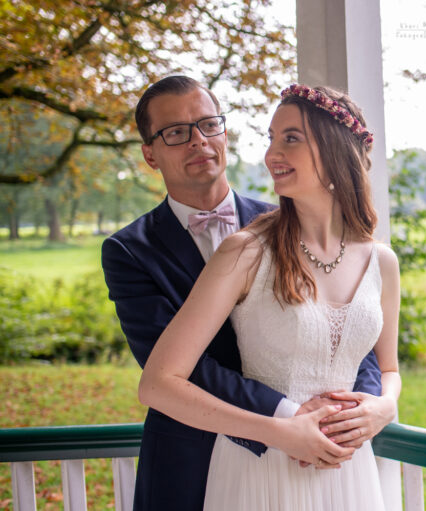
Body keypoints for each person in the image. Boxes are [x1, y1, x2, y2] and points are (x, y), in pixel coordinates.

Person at [101, 76, 395, 510]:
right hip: (198, 451)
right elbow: (180, 370)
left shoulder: (290, 220)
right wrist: (288, 419)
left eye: (208, 124)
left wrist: (370, 409)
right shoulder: (131, 250)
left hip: (332, 457)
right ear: (150, 153)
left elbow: (354, 338)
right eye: (177, 133)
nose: (198, 141)